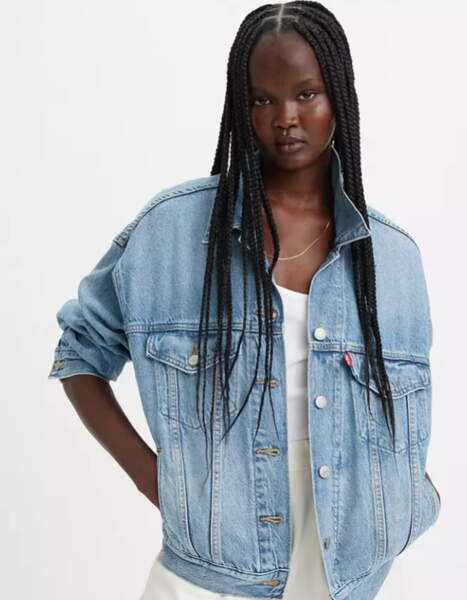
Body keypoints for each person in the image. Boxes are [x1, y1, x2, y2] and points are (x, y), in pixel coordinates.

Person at [48, 2, 441, 599]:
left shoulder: (393, 256)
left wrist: (413, 492)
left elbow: (407, 418)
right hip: (211, 574)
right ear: (241, 106)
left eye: (306, 94)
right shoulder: (172, 231)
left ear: (339, 97)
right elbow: (80, 352)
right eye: (262, 100)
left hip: (361, 573)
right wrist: (153, 479)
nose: (286, 118)